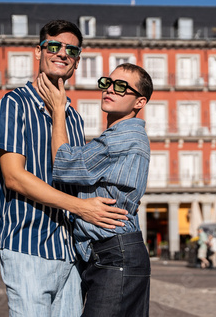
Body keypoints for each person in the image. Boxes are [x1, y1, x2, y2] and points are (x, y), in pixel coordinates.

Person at [0, 20, 128, 317]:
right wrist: (82, 208)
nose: (61, 53)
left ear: (77, 61)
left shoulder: (73, 118)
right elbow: (14, 177)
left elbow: (74, 175)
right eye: (53, 46)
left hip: (70, 253)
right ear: (39, 52)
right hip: (28, 247)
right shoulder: (14, 104)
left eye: (71, 50)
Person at [36, 62, 153, 316]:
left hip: (115, 255)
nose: (110, 89)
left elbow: (64, 163)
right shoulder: (127, 137)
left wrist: (58, 111)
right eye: (107, 83)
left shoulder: (120, 138)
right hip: (113, 252)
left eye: (121, 87)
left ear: (139, 102)